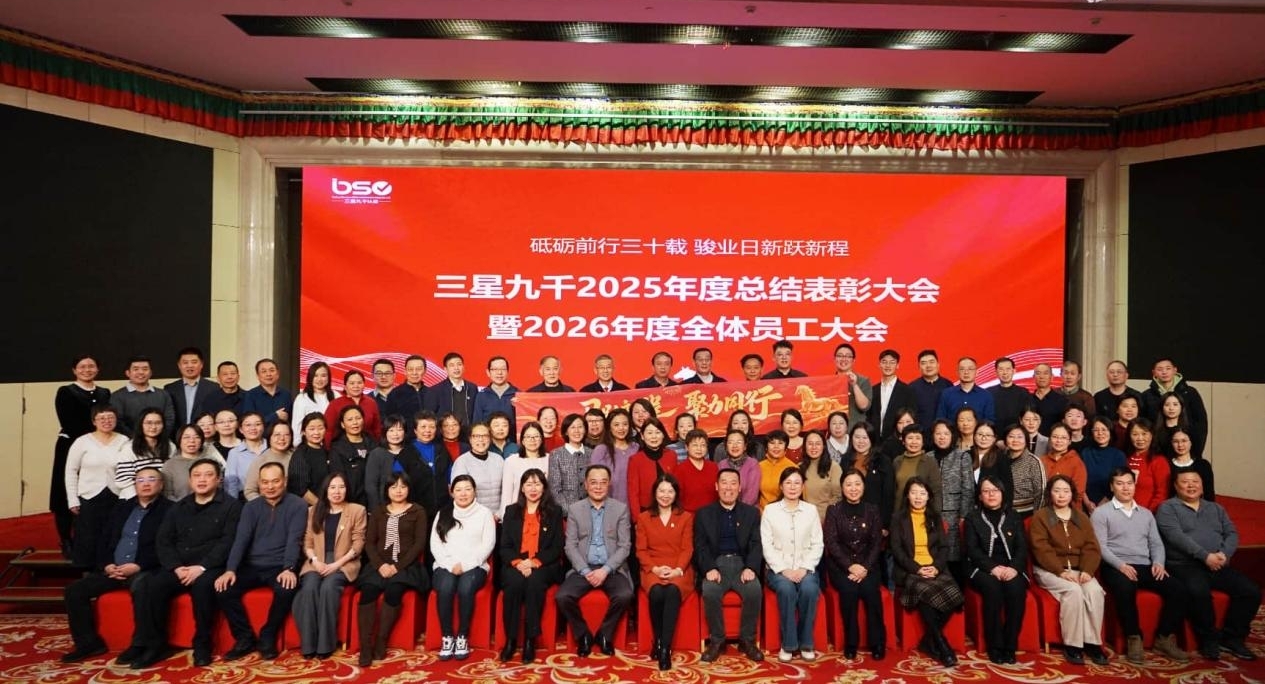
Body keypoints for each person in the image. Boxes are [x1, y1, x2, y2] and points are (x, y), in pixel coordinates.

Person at [59, 465, 171, 665]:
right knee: (74, 590)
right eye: (140, 480)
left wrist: (138, 565)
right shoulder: (122, 508)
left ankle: (142, 644)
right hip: (115, 568)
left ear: (161, 485)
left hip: (145, 568)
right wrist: (107, 564)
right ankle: (88, 643)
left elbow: (167, 546)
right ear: (134, 484)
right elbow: (105, 539)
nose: (145, 484)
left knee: (143, 587)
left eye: (151, 479)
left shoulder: (170, 510)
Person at [136, 458, 241, 668]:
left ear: (218, 479)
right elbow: (164, 540)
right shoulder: (178, 507)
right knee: (151, 585)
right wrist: (176, 567)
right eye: (196, 475)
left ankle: (202, 645)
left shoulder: (232, 506)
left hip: (211, 566)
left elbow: (228, 542)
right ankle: (155, 645)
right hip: (181, 566)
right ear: (190, 480)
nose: (202, 480)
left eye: (208, 475)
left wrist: (201, 567)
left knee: (203, 587)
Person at [1157, 471, 1259, 661]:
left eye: (1195, 481)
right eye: (1185, 482)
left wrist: (1224, 554)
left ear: (1202, 486)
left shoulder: (1215, 508)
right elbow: (1176, 537)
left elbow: (1231, 533)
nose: (1191, 485)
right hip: (1184, 565)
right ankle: (1209, 639)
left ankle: (1232, 637)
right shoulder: (1167, 508)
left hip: (1217, 563)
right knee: (1198, 591)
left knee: (1250, 591)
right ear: (1176, 486)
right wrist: (1205, 556)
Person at [1091, 467, 1190, 664]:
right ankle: (1134, 637)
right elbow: (1100, 547)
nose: (1125, 488)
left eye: (1129, 483)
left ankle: (1164, 637)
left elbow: (1156, 543)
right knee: (1125, 587)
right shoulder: (1101, 513)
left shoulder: (1145, 514)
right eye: (1120, 484)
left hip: (1145, 564)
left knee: (1179, 590)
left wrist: (1158, 563)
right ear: (1112, 487)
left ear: (1135, 486)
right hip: (1115, 565)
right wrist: (1121, 565)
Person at [214, 462, 308, 661]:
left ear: (285, 481)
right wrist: (230, 569)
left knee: (287, 588)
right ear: (259, 483)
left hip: (279, 565)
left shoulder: (298, 505)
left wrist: (289, 568)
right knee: (223, 588)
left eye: (275, 481)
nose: (270, 487)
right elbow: (241, 540)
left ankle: (268, 635)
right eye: (265, 482)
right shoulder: (251, 507)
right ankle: (244, 638)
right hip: (252, 565)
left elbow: (295, 539)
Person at [1028, 475, 1109, 665]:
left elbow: (1092, 547)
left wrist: (1087, 571)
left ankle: (1093, 643)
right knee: (1073, 591)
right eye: (1057, 491)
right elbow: (1041, 549)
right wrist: (1060, 571)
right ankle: (1073, 645)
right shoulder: (1041, 517)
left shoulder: (1081, 517)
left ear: (1072, 494)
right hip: (1050, 570)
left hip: (1080, 570)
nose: (1061, 495)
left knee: (1095, 591)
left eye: (1066, 491)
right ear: (1050, 494)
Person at [557, 464, 633, 657]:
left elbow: (624, 546)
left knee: (625, 595)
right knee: (562, 596)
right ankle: (583, 635)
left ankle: (604, 635)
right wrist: (585, 571)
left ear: (609, 484)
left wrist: (605, 569)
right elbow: (570, 546)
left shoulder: (620, 509)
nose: (598, 487)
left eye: (603, 482)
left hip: (612, 568)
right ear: (586, 485)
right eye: (593, 482)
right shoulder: (575, 509)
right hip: (584, 567)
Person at [357, 473, 429, 666]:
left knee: (394, 591)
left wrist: (397, 567)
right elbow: (370, 543)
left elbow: (419, 544)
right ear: (387, 490)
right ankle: (365, 646)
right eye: (394, 487)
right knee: (368, 591)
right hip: (379, 564)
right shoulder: (378, 512)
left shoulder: (418, 511)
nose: (398, 491)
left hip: (405, 565)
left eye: (403, 486)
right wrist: (380, 565)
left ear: (409, 489)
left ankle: (381, 641)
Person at [890, 476, 963, 667]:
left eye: (922, 493)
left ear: (928, 496)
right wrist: (918, 569)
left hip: (934, 567)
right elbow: (897, 550)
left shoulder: (934, 517)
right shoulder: (898, 518)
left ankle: (927, 640)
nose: (918, 497)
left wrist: (936, 567)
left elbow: (944, 547)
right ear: (907, 495)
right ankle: (942, 644)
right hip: (910, 569)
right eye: (914, 493)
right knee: (925, 591)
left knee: (955, 594)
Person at [293, 473, 366, 659]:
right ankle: (309, 644)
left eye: (341, 487)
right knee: (309, 588)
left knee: (328, 587)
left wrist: (336, 564)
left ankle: (325, 644)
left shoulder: (357, 510)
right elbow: (307, 542)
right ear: (325, 490)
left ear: (347, 489)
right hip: (316, 561)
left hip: (344, 562)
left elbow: (358, 543)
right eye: (332, 487)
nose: (337, 491)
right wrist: (315, 561)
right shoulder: (313, 511)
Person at [695, 469, 764, 662]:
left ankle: (747, 640)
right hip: (716, 564)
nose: (728, 487)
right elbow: (700, 546)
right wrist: (709, 568)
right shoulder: (704, 514)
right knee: (710, 590)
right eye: (724, 482)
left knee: (754, 590)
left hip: (742, 564)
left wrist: (751, 567)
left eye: (733, 483)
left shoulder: (751, 513)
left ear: (740, 487)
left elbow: (756, 543)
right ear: (716, 486)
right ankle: (717, 641)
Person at [499, 469, 565, 664]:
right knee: (513, 583)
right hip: (517, 563)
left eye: (537, 484)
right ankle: (511, 640)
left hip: (544, 564)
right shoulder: (511, 511)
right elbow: (505, 546)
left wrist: (534, 562)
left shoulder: (554, 512)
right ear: (522, 488)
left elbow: (557, 547)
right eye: (529, 484)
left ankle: (530, 640)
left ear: (544, 487)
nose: (533, 489)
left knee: (534, 583)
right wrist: (519, 563)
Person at [51, 356, 113, 555]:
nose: (87, 370)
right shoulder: (66, 391)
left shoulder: (104, 393)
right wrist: (93, 437)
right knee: (65, 492)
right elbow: (69, 421)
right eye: (82, 367)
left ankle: (87, 538)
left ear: (98, 369)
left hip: (100, 446)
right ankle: (66, 540)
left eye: (91, 366)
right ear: (74, 370)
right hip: (71, 445)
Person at [760, 467, 824, 662]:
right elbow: (767, 545)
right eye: (788, 483)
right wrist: (784, 569)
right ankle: (788, 644)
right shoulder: (770, 510)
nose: (793, 487)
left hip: (806, 567)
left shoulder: (810, 510)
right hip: (778, 569)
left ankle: (806, 643)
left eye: (797, 483)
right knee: (786, 589)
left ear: (803, 486)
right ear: (781, 486)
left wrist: (804, 568)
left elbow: (817, 543)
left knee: (810, 589)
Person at [430, 475, 497, 661]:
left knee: (465, 587)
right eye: (458, 490)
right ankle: (447, 636)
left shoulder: (484, 513)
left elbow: (488, 544)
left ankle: (462, 636)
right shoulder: (443, 513)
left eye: (468, 489)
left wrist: (466, 564)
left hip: (475, 565)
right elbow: (435, 544)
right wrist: (450, 564)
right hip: (446, 565)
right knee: (446, 586)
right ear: (452, 492)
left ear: (475, 491)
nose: (463, 493)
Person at [823, 469, 887, 661]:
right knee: (849, 591)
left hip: (868, 565)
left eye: (857, 484)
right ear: (842, 487)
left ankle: (877, 642)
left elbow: (876, 543)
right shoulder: (834, 510)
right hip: (841, 566)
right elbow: (831, 542)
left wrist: (864, 567)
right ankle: (851, 643)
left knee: (870, 591)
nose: (853, 488)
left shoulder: (872, 510)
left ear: (863, 486)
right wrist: (850, 566)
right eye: (848, 484)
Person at [963, 476, 1028, 665]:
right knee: (993, 590)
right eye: (986, 491)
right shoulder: (972, 518)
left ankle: (1010, 645)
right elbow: (972, 550)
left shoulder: (1014, 516)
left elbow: (1022, 548)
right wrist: (992, 568)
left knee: (1016, 590)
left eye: (995, 490)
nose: (991, 495)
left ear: (1002, 493)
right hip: (981, 568)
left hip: (1011, 567)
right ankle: (995, 645)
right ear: (980, 496)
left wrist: (1014, 568)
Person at [635, 474, 696, 670]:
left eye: (670, 491)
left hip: (679, 568)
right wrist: (655, 569)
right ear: (655, 493)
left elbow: (687, 549)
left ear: (676, 494)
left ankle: (664, 648)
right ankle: (659, 640)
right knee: (656, 593)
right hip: (652, 567)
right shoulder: (644, 517)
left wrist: (677, 570)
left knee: (671, 592)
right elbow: (641, 550)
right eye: (661, 491)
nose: (665, 495)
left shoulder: (685, 517)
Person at [65, 405, 129, 568]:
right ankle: (88, 573)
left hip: (116, 495)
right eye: (102, 418)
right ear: (94, 421)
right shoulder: (82, 442)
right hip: (89, 496)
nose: (106, 421)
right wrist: (72, 499)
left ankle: (110, 570)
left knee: (112, 535)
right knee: (88, 537)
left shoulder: (124, 441)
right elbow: (71, 471)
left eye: (110, 417)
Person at [365, 414, 435, 514]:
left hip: (410, 504)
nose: (395, 434)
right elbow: (371, 486)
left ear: (405, 432)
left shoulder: (411, 451)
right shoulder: (377, 454)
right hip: (384, 505)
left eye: (399, 430)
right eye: (391, 430)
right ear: (385, 433)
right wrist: (376, 510)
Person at [1141, 358, 1208, 460]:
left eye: (1168, 368)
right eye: (1160, 369)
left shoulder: (1190, 392)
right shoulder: (1147, 395)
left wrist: (1196, 451)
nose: (1164, 372)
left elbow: (1201, 423)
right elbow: (1144, 424)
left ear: (1175, 370)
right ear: (1153, 372)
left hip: (1188, 451)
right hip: (1158, 450)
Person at [932, 417, 972, 584]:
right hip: (931, 515)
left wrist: (963, 516)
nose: (942, 437)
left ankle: (956, 594)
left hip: (955, 516)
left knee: (953, 557)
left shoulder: (962, 457)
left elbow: (968, 489)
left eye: (946, 433)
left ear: (952, 436)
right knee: (934, 556)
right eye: (938, 433)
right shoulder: (927, 457)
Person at [839, 422, 894, 536]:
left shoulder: (883, 461)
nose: (861, 441)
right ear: (851, 438)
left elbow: (888, 495)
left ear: (871, 439)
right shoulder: (845, 460)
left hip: (875, 519)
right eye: (857, 437)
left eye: (865, 437)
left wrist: (884, 524)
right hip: (848, 517)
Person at [110, 355, 176, 437]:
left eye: (145, 369)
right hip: (129, 441)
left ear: (151, 373)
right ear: (128, 373)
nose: (141, 372)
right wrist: (137, 439)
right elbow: (118, 422)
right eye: (136, 369)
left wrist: (157, 438)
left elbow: (169, 420)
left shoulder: (163, 395)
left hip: (159, 441)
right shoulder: (117, 396)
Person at [449, 421, 504, 515]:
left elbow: (506, 490)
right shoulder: (462, 462)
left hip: (499, 515)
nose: (481, 439)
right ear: (470, 439)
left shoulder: (498, 459)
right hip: (473, 516)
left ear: (490, 439)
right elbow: (459, 494)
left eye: (485, 436)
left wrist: (499, 514)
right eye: (476, 436)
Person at [116, 408, 173, 500]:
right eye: (149, 423)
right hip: (133, 498)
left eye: (158, 423)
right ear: (141, 425)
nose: (153, 427)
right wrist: (143, 499)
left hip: (162, 498)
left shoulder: (170, 446)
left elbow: (170, 476)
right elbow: (123, 480)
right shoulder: (129, 448)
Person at [328, 404, 376, 506]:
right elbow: (339, 478)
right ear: (342, 424)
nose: (355, 422)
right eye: (350, 419)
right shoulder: (337, 448)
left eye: (358, 418)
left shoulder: (373, 444)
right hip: (350, 501)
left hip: (373, 501)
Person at [500, 421, 549, 518]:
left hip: (544, 513)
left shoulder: (549, 459)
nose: (532, 440)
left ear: (541, 439)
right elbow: (506, 493)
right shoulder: (511, 461)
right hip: (518, 513)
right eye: (528, 437)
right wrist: (505, 517)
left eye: (536, 436)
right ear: (522, 440)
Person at [627, 418, 677, 514]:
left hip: (670, 509)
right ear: (642, 436)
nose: (654, 436)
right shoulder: (635, 460)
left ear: (663, 435)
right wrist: (637, 518)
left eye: (657, 432)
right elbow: (633, 493)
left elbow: (676, 486)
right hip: (645, 511)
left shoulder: (671, 455)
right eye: (649, 433)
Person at [590, 408, 638, 506]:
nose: (621, 428)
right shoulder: (601, 450)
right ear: (609, 427)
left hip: (634, 505)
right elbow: (595, 482)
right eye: (616, 425)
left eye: (625, 424)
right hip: (609, 506)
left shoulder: (636, 448)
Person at [891, 424, 942, 516]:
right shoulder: (897, 461)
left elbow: (936, 491)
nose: (914, 442)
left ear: (923, 442)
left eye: (918, 438)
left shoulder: (930, 462)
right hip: (899, 512)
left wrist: (935, 515)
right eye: (910, 438)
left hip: (923, 514)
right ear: (903, 441)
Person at [868, 349, 917, 442]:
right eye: (884, 362)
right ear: (879, 365)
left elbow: (912, 416)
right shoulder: (873, 390)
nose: (888, 365)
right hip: (875, 440)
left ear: (897, 365)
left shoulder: (907, 390)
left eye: (892, 362)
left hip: (897, 439)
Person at [1080, 416, 1127, 511]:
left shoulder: (1118, 455)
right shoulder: (1085, 453)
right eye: (1096, 430)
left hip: (1111, 503)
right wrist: (1087, 502)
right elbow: (1080, 480)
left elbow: (1120, 482)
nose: (1100, 433)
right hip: (1087, 503)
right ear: (1091, 433)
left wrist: (1106, 501)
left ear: (1110, 432)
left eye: (1104, 429)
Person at [323, 370, 383, 445]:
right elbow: (328, 431)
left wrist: (378, 447)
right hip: (342, 446)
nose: (356, 386)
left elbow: (377, 429)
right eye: (352, 383)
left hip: (368, 445)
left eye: (359, 383)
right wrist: (328, 448)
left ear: (364, 384)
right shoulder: (335, 404)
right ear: (345, 386)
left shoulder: (371, 403)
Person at [547, 413, 592, 510]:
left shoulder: (591, 453)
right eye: (572, 427)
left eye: (580, 427)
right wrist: (569, 511)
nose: (577, 431)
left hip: (590, 510)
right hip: (566, 512)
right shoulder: (556, 454)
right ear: (566, 432)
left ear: (585, 430)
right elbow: (555, 489)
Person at [165, 347, 219, 428]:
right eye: (185, 362)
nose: (189, 366)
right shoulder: (170, 389)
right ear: (179, 365)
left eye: (194, 362)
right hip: (178, 434)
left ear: (201, 364)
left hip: (204, 433)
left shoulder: (213, 388)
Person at [163, 423, 219, 500]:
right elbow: (167, 494)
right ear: (179, 440)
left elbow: (218, 487)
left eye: (196, 437)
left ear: (202, 440)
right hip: (179, 505)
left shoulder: (211, 462)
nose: (192, 441)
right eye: (186, 437)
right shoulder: (170, 464)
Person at [1001, 423, 1046, 517]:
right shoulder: (1000, 459)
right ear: (1005, 440)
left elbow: (1041, 492)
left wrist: (1037, 516)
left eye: (1020, 437)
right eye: (1011, 436)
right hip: (1002, 513)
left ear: (1026, 440)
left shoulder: (1033, 461)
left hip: (1027, 515)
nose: (1015, 440)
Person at [1125, 418, 1171, 511]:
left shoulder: (1159, 461)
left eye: (1144, 433)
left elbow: (1162, 493)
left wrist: (1147, 514)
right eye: (1135, 434)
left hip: (1148, 513)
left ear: (1151, 435)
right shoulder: (1125, 459)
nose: (1140, 438)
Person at [1040, 423, 1088, 510]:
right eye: (1055, 437)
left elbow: (1078, 494)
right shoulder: (1041, 460)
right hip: (1043, 509)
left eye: (1063, 438)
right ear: (1049, 439)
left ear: (1069, 441)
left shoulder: (1076, 462)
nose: (1059, 440)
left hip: (1069, 510)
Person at [242, 421, 294, 501]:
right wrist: (265, 505)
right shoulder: (260, 461)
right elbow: (250, 491)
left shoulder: (297, 456)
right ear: (269, 437)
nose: (282, 438)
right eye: (277, 435)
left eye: (286, 435)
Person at [424, 352, 479, 426]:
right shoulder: (435, 391)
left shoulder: (472, 388)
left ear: (463, 367)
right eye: (452, 365)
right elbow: (430, 417)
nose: (456, 368)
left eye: (459, 364)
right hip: (446, 431)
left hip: (468, 431)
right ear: (445, 369)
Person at [289, 413, 332, 506]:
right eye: (312, 429)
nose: (316, 432)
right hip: (309, 507)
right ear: (303, 432)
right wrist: (321, 507)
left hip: (329, 503)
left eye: (320, 428)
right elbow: (300, 489)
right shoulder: (300, 454)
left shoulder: (327, 452)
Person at [936, 357, 995, 422]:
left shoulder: (986, 395)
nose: (966, 372)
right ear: (957, 372)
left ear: (976, 372)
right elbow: (941, 419)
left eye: (970, 369)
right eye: (962, 369)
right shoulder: (947, 394)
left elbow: (989, 421)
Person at [239, 358, 293, 428]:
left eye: (272, 370)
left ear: (278, 374)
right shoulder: (250, 395)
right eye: (264, 371)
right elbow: (249, 422)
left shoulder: (286, 394)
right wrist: (275, 416)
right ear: (257, 376)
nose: (268, 374)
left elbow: (292, 420)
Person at [800, 430, 841, 520]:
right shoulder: (799, 467)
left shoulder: (834, 467)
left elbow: (838, 496)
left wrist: (825, 516)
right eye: (810, 444)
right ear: (805, 446)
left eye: (818, 444)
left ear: (824, 446)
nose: (814, 447)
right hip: (803, 517)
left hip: (826, 517)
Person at [224, 412, 266, 498]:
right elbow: (231, 483)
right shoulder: (234, 453)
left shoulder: (272, 447)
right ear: (241, 429)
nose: (253, 428)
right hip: (245, 499)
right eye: (248, 425)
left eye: (257, 424)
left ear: (263, 427)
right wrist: (233, 504)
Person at [675, 429, 719, 512]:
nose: (699, 449)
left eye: (703, 445)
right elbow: (677, 498)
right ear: (687, 447)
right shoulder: (680, 469)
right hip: (689, 515)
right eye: (695, 445)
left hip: (713, 514)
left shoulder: (714, 467)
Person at [291, 361, 337, 436]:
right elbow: (297, 426)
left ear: (328, 377)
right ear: (310, 377)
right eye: (315, 376)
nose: (319, 379)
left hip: (333, 440)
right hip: (310, 441)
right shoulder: (302, 398)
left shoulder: (336, 395)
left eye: (323, 375)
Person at [1167, 428, 1214, 500]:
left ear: (1191, 442)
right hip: (1172, 505)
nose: (1180, 445)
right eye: (1176, 441)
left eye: (1184, 441)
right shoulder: (1166, 465)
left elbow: (1209, 494)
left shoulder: (1203, 465)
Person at [910, 349, 952, 429]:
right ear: (919, 367)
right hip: (921, 433)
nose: (928, 366)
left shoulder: (948, 385)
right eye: (923, 363)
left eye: (931, 362)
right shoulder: (912, 388)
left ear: (938, 364)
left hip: (944, 433)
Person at [833, 343, 872, 427]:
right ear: (835, 359)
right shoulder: (830, 381)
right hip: (834, 429)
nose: (844, 359)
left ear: (853, 360)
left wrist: (854, 385)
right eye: (840, 356)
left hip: (855, 429)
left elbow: (864, 406)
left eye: (848, 356)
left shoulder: (863, 380)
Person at [718, 429, 761, 507]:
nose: (735, 446)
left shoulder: (753, 464)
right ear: (726, 447)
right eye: (731, 442)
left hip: (747, 509)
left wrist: (737, 510)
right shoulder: (721, 464)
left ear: (745, 446)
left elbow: (752, 495)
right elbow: (720, 491)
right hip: (724, 509)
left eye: (739, 442)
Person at [988, 356, 1032, 431]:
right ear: (996, 372)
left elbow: (1027, 416)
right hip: (994, 435)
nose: (1005, 373)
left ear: (1014, 371)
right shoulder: (989, 393)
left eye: (1008, 369)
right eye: (1001, 369)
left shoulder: (1023, 393)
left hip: (1017, 435)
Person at [473, 356, 518, 426]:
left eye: (503, 369)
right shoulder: (482, 396)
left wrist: (519, 406)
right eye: (495, 369)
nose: (499, 372)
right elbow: (477, 424)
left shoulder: (518, 394)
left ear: (508, 371)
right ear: (488, 372)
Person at [1153, 391, 1199, 460]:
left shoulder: (1190, 431)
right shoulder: (1155, 431)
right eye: (1167, 405)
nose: (1171, 408)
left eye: (1175, 404)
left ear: (1181, 407)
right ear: (1162, 408)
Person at [758, 430, 796, 509]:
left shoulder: (793, 468)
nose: (776, 446)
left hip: (786, 512)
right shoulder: (759, 466)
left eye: (780, 443)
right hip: (763, 512)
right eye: (772, 443)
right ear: (766, 447)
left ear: (786, 447)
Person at [385, 354, 428, 422]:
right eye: (410, 369)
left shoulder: (431, 393)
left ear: (425, 371)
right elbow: (389, 422)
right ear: (405, 371)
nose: (414, 373)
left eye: (418, 369)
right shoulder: (395, 394)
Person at [1030, 363, 1069, 437]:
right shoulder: (1027, 399)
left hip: (1053, 441)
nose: (1042, 377)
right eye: (1038, 373)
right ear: (1033, 377)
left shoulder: (1062, 401)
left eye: (1045, 373)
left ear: (1052, 377)